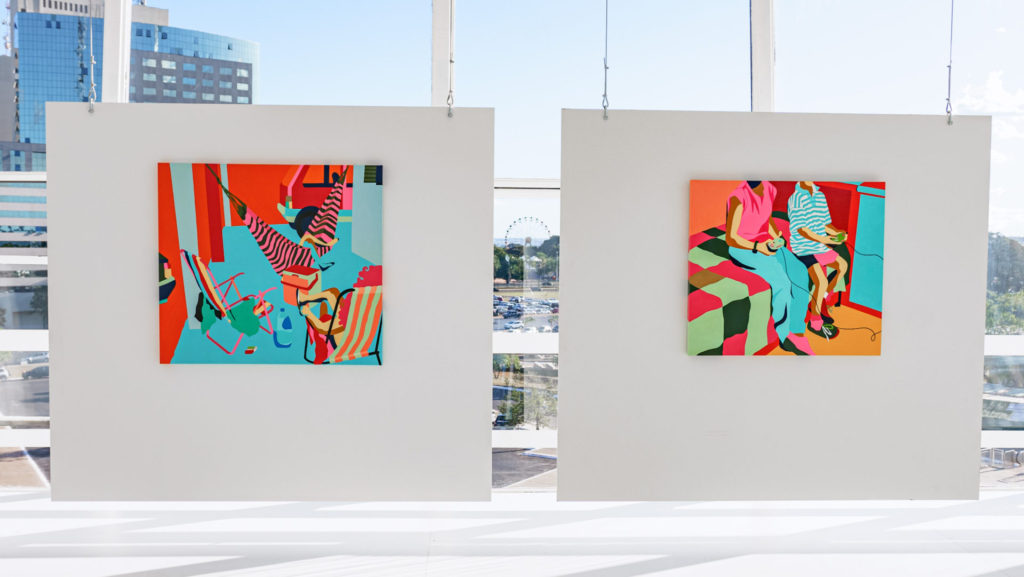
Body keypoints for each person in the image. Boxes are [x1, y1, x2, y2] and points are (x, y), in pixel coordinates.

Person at [724, 180, 815, 355]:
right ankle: (784, 336)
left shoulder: (769, 188)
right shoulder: (738, 196)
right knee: (783, 283)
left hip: (765, 242)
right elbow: (731, 238)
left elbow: (768, 218)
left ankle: (797, 330)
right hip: (743, 248)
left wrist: (777, 237)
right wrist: (758, 247)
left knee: (801, 271)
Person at [786, 181, 848, 339]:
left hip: (820, 246)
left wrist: (837, 233)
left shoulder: (820, 196)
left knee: (842, 266)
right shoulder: (796, 198)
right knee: (821, 280)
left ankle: (821, 299)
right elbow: (802, 230)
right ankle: (814, 323)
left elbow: (826, 224)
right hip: (803, 248)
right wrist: (825, 239)